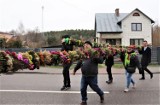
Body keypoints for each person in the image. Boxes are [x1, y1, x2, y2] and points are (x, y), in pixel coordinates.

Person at [73, 41, 104, 105]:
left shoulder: (94, 54)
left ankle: (101, 94)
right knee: (82, 89)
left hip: (92, 76)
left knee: (95, 88)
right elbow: (80, 63)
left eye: (87, 44)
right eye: (84, 45)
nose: (85, 46)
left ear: (91, 46)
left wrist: (98, 56)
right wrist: (75, 69)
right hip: (84, 76)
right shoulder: (83, 55)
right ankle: (84, 100)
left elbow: (101, 61)